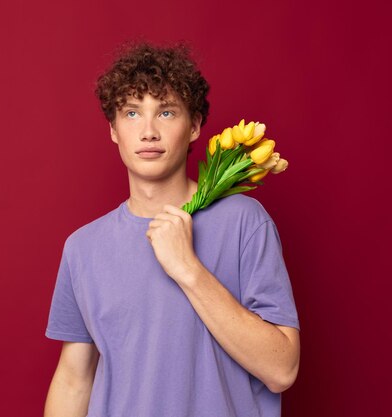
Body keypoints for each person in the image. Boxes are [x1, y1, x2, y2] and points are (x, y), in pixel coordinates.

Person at [44, 41, 300, 417]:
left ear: (194, 126)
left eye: (166, 112)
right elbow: (74, 379)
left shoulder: (245, 222)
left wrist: (188, 270)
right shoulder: (83, 248)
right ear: (113, 129)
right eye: (131, 113)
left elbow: (282, 369)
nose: (148, 131)